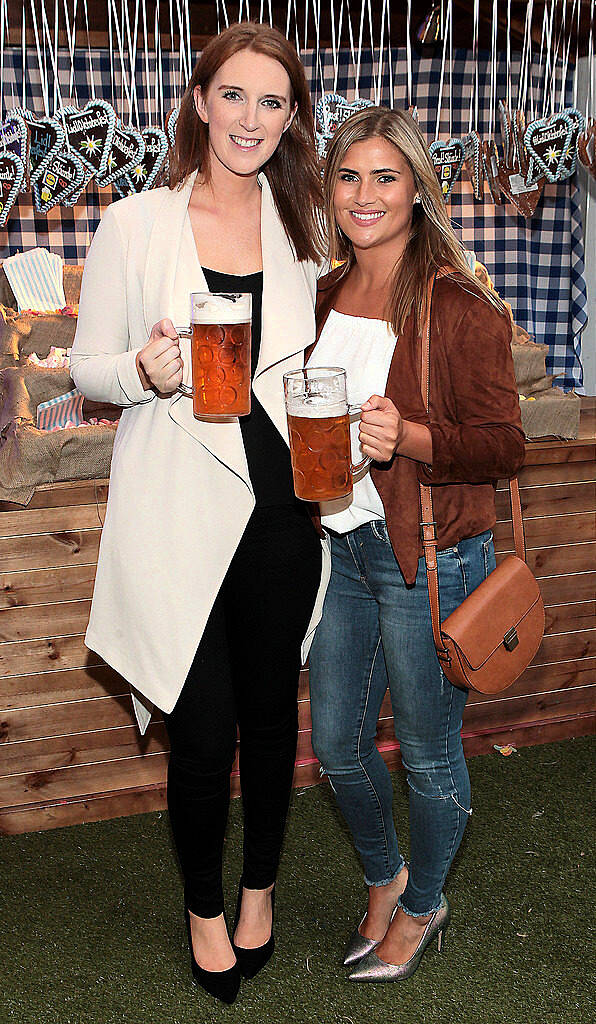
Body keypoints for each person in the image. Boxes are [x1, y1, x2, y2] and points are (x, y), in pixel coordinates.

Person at [70, 22, 329, 1005]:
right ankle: (203, 909)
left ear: (290, 119)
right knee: (204, 728)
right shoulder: (134, 224)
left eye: (272, 102)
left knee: (270, 722)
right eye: (234, 95)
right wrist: (140, 369)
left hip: (278, 515)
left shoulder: (302, 227)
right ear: (197, 99)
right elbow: (91, 364)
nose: (250, 119)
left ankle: (257, 888)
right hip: (179, 513)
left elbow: (308, 371)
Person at [307, 107, 526, 983]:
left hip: (427, 560)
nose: (365, 195)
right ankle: (384, 874)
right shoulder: (324, 291)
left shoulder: (456, 302)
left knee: (430, 755)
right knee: (336, 745)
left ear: (416, 190)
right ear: (330, 189)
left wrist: (415, 438)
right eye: (349, 176)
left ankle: (424, 902)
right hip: (345, 550)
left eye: (385, 177)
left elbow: (505, 445)